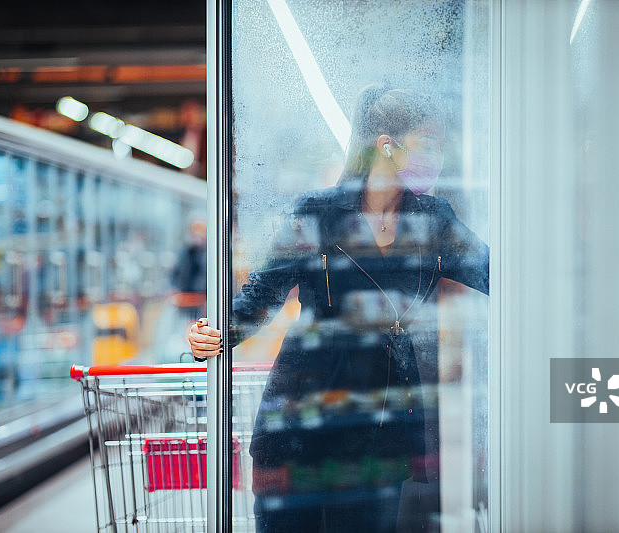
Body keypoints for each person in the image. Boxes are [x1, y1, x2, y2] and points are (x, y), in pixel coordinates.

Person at [188, 84, 489, 533]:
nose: (437, 157)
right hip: (299, 428)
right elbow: (263, 295)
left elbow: (496, 273)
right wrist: (211, 335)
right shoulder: (318, 213)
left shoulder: (434, 219)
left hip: (379, 439)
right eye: (429, 144)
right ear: (387, 146)